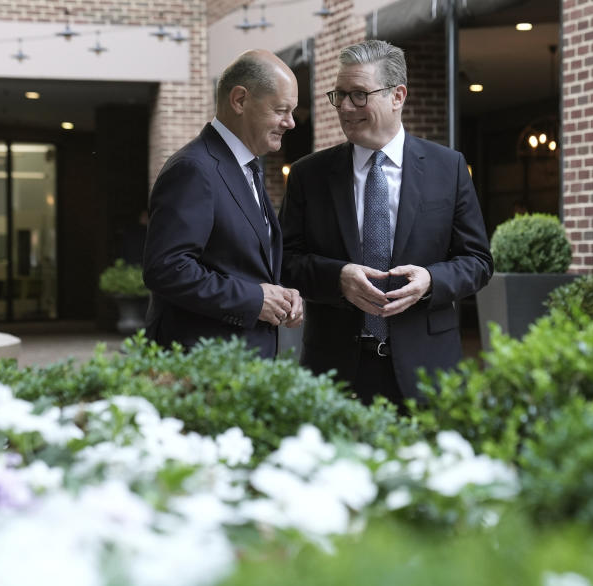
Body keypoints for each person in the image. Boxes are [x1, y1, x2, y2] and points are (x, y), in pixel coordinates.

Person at [280, 40, 493, 405]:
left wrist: (431, 280)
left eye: (359, 95)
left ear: (398, 96)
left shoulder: (449, 168)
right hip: (334, 370)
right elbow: (284, 261)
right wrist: (338, 278)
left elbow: (477, 261)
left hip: (428, 371)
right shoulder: (308, 175)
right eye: (340, 95)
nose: (346, 107)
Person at [143, 49, 303, 358]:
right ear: (240, 100)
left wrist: (282, 296)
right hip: (202, 366)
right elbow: (166, 269)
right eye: (282, 109)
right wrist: (254, 300)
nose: (291, 123)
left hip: (241, 363)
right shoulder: (192, 169)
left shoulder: (248, 167)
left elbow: (244, 263)